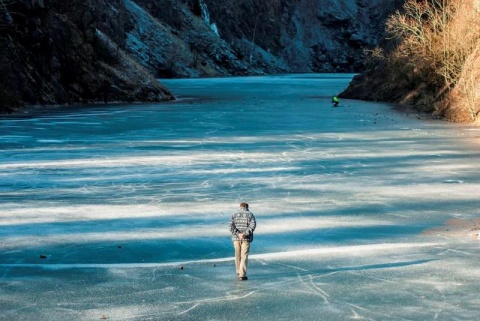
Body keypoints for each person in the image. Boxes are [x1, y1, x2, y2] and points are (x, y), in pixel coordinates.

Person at [228, 202, 256, 281]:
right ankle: (242, 274)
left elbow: (230, 226)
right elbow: (253, 225)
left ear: (240, 207)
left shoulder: (234, 214)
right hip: (246, 238)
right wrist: (245, 234)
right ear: (247, 207)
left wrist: (238, 234)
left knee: (237, 255)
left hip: (236, 238)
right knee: (244, 256)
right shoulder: (250, 214)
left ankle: (238, 271)